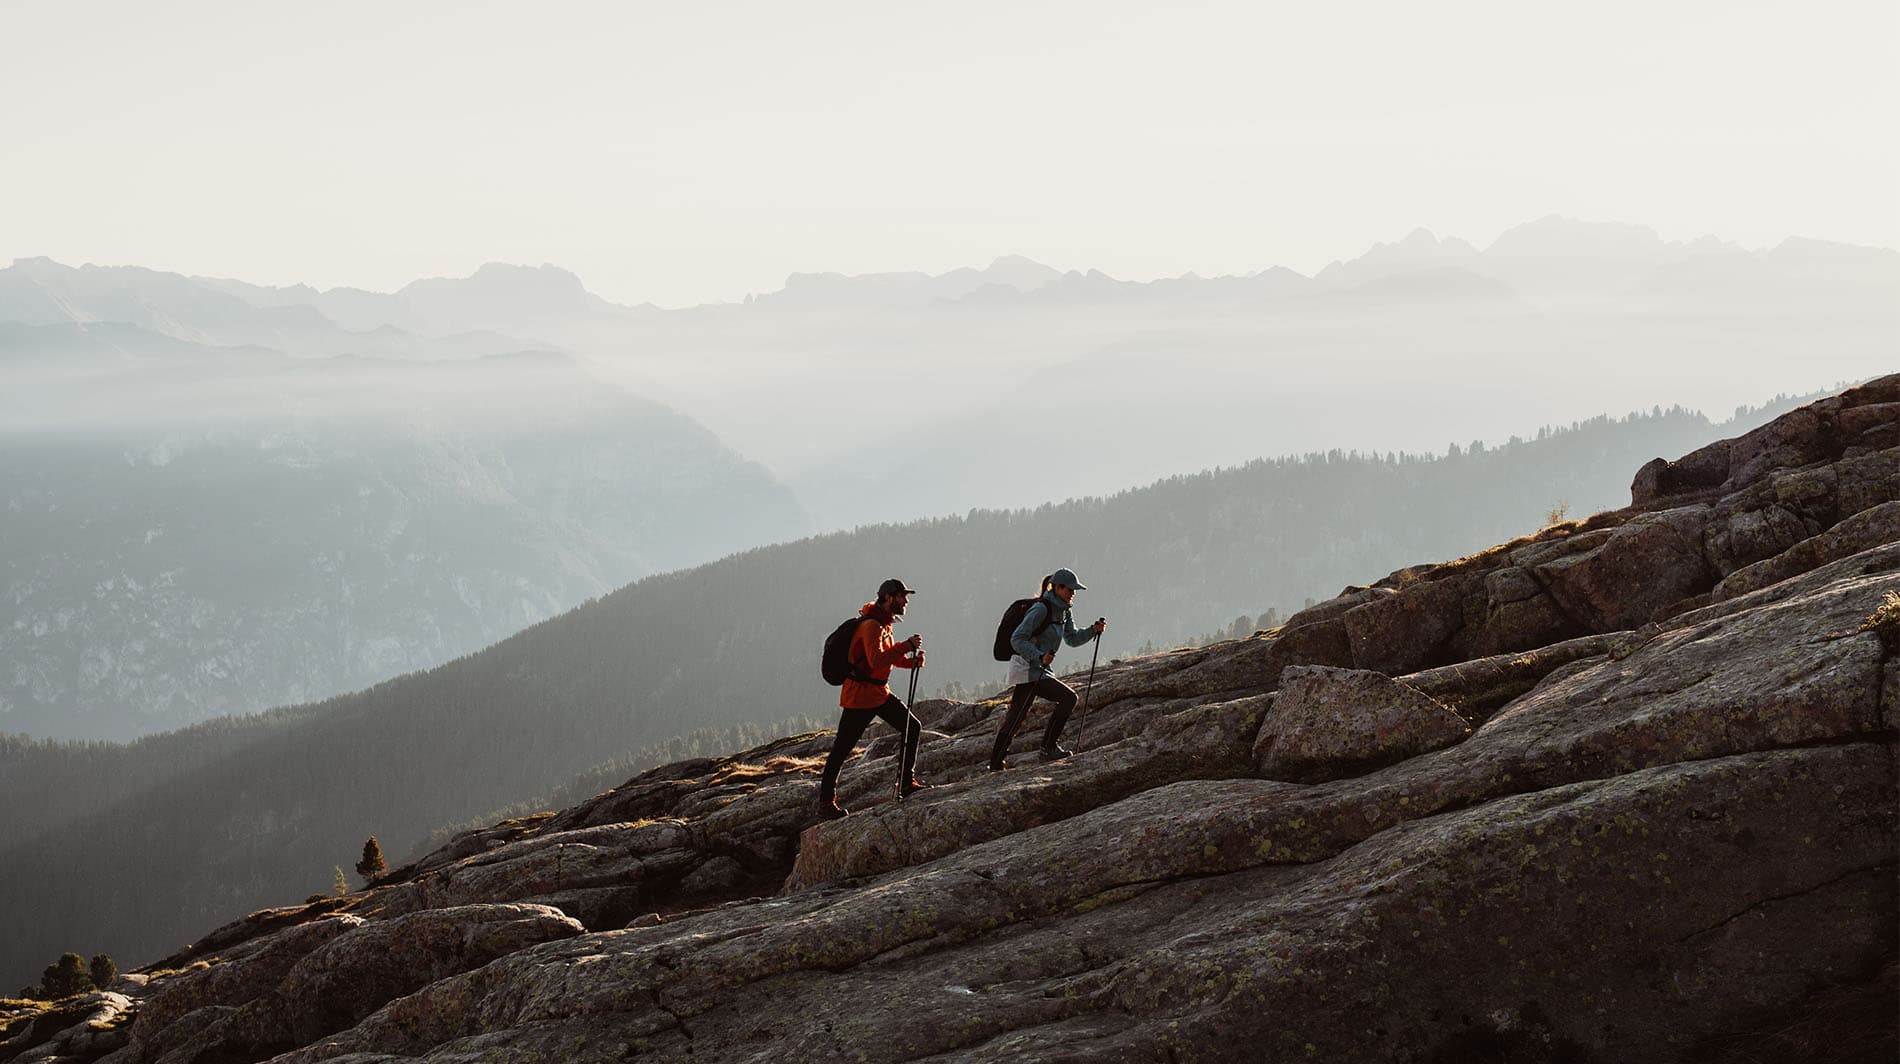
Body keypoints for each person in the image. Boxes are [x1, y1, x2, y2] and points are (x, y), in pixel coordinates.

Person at [816, 578, 928, 818]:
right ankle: (826, 801)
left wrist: (910, 661)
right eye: (902, 596)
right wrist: (906, 646)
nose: (906, 601)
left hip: (877, 692)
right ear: (889, 597)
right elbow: (876, 660)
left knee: (912, 728)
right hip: (860, 696)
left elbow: (885, 658)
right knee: (841, 749)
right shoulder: (872, 626)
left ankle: (907, 783)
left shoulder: (884, 624)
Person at [991, 568, 1106, 770]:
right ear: (1058, 588)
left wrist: (1092, 631)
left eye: (1074, 590)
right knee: (1069, 698)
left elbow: (1071, 638)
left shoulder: (1064, 610)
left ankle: (996, 763)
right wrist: (1038, 656)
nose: (1073, 593)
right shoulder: (1041, 609)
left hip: (1040, 668)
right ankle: (1048, 748)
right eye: (1070, 589)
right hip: (1027, 667)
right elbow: (1017, 638)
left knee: (1016, 716)